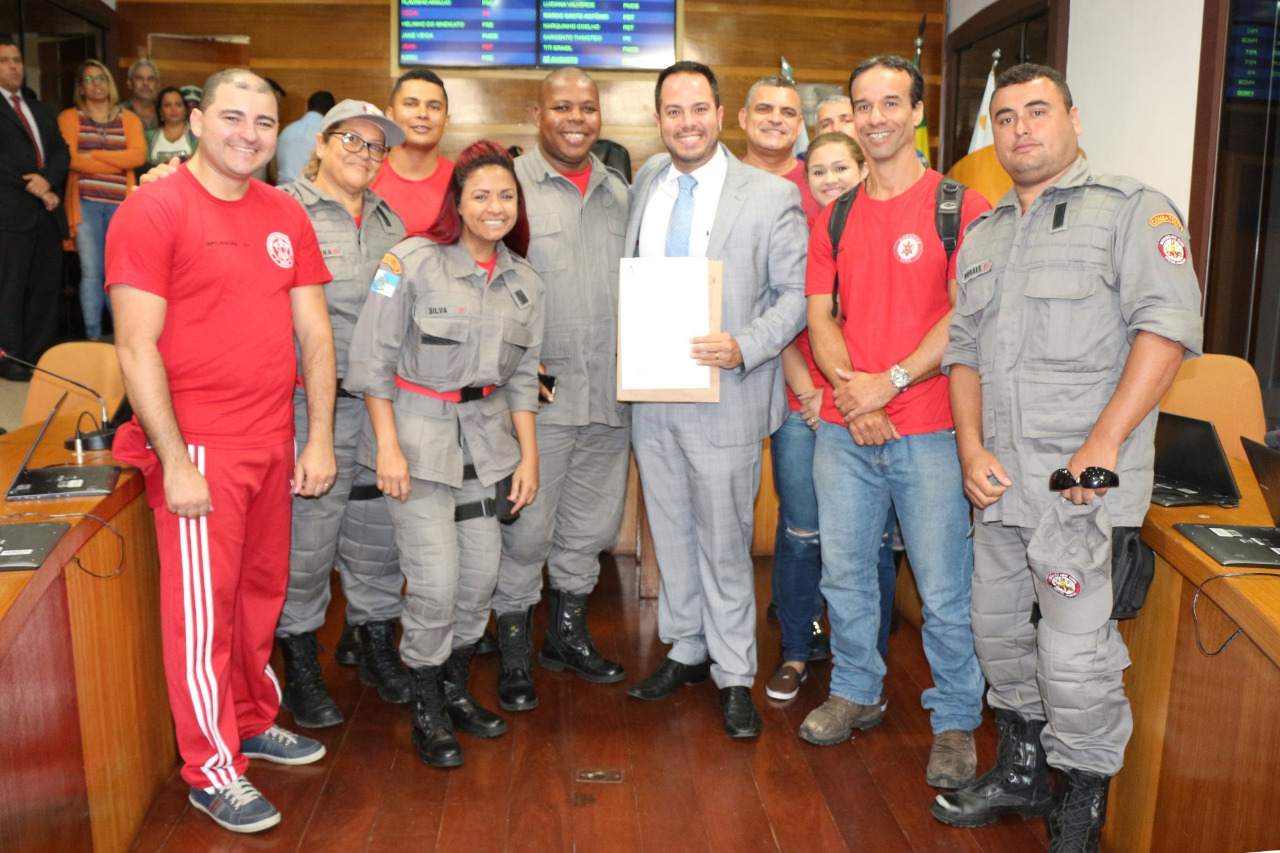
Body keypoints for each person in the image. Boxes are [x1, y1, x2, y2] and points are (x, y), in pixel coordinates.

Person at [932, 64, 1203, 852]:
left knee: (1076, 659)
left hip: (1079, 492)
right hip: (998, 484)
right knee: (999, 635)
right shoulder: (982, 235)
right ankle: (1021, 770)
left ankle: (1082, 800)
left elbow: (1167, 329)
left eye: (1037, 112)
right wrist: (970, 446)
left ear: (1074, 120)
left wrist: (1104, 442)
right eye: (1006, 117)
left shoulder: (1129, 210)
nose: (1020, 129)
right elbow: (963, 356)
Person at [106, 68, 337, 834]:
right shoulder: (153, 208)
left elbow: (314, 333)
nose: (248, 133)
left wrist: (320, 435)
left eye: (264, 122)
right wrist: (173, 459)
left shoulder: (284, 213)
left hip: (272, 438)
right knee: (202, 616)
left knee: (256, 598)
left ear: (280, 134)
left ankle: (246, 717)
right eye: (233, 116)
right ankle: (210, 766)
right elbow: (136, 347)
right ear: (198, 119)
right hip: (198, 447)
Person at [800, 55, 988, 790]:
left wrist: (893, 382)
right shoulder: (835, 213)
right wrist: (856, 396)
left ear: (916, 113)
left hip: (933, 430)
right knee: (846, 574)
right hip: (847, 432)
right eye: (862, 105)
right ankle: (856, 688)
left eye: (890, 104)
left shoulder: (959, 208)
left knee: (942, 587)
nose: (876, 117)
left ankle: (954, 720)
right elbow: (820, 316)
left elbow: (963, 317)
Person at [345, 140, 545, 769]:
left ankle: (454, 687)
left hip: (487, 446)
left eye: (506, 196)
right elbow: (370, 363)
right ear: (457, 201)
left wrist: (529, 458)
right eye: (481, 195)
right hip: (416, 440)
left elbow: (523, 378)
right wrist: (387, 448)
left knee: (480, 579)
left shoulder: (525, 282)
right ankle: (426, 705)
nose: (495, 207)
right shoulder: (407, 262)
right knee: (434, 585)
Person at [623, 61, 807, 739]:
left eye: (698, 108)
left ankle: (735, 673)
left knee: (726, 541)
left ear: (721, 113)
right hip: (653, 394)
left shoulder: (767, 194)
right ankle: (688, 647)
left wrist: (744, 343)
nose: (687, 122)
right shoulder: (647, 180)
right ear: (658, 118)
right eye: (673, 111)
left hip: (726, 390)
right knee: (670, 529)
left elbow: (794, 296)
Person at [489, 68, 632, 712]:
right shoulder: (507, 189)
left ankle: (565, 636)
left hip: (612, 395)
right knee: (527, 531)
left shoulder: (621, 194)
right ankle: (514, 645)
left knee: (591, 529)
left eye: (588, 108)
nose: (576, 119)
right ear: (537, 112)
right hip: (536, 404)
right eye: (562, 107)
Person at [274, 100, 411, 727]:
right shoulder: (280, 209)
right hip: (308, 405)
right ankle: (300, 660)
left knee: (379, 536)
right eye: (350, 139)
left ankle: (378, 645)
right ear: (321, 144)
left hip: (380, 405)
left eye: (376, 145)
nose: (363, 152)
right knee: (308, 541)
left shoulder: (391, 224)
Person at [765, 130, 878, 704]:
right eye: (819, 171)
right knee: (802, 532)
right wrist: (812, 391)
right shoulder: (801, 232)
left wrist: (840, 395)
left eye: (842, 169)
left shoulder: (880, 229)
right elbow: (782, 320)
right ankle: (796, 649)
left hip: (866, 405)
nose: (830, 180)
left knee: (868, 542)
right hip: (803, 403)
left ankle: (866, 664)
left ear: (864, 169)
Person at [59, 59, 146, 340]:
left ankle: (121, 337)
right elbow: (70, 160)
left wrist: (93, 157)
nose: (96, 84)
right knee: (93, 272)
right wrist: (114, 162)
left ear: (109, 84)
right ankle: (94, 337)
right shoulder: (69, 118)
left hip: (122, 207)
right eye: (89, 79)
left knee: (118, 273)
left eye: (101, 78)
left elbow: (136, 157)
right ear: (81, 88)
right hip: (85, 204)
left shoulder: (129, 118)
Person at [0, 36, 69, 381]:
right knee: (10, 289)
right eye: (4, 60)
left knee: (45, 288)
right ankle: (9, 356)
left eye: (16, 59)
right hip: (11, 213)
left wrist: (49, 182)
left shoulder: (38, 108)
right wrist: (36, 186)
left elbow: (61, 151)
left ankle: (38, 355)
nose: (14, 65)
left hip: (47, 212)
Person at [372, 69, 454, 237]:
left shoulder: (463, 182)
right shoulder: (365, 176)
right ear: (390, 115)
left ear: (446, 121)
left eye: (434, 107)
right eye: (411, 104)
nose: (422, 114)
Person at [738, 75, 821, 223]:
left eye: (788, 113)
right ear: (744, 118)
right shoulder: (720, 178)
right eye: (764, 109)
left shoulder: (820, 181)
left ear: (799, 125)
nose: (775, 119)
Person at [277, 90, 335, 185]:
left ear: (306, 106)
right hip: (312, 194)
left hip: (280, 192)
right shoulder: (329, 135)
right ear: (331, 113)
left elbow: (273, 169)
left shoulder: (286, 131)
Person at [144, 86, 197, 166]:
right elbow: (143, 165)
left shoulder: (197, 134)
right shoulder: (148, 136)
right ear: (160, 111)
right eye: (167, 105)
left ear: (185, 109)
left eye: (178, 105)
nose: (173, 109)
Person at [120, 58, 160, 130]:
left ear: (158, 84)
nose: (145, 83)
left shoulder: (166, 112)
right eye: (139, 78)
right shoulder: (118, 114)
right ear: (130, 83)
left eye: (150, 79)